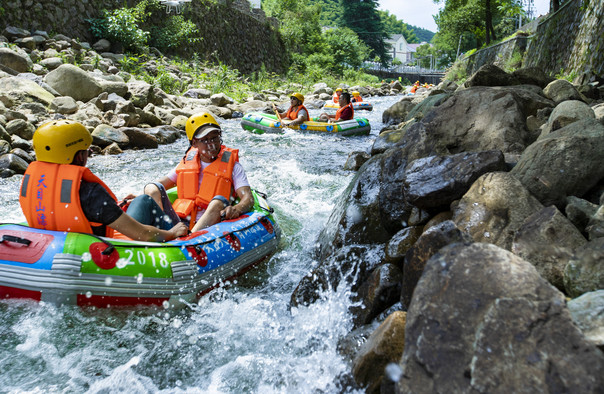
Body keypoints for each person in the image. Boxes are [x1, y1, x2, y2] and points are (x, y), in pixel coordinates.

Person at [19, 120, 188, 242]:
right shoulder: (91, 192)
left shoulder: (30, 184)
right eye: (87, 151)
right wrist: (172, 233)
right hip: (100, 255)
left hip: (53, 250)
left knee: (140, 200)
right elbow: (143, 235)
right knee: (145, 200)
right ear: (79, 156)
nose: (88, 155)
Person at [134, 112, 253, 233]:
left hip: (209, 226)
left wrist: (237, 208)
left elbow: (248, 198)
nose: (211, 144)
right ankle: (156, 230)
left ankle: (190, 239)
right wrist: (140, 196)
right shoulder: (187, 163)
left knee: (218, 202)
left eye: (214, 138)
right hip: (179, 224)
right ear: (194, 143)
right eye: (205, 140)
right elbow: (160, 185)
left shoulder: (234, 167)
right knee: (152, 187)